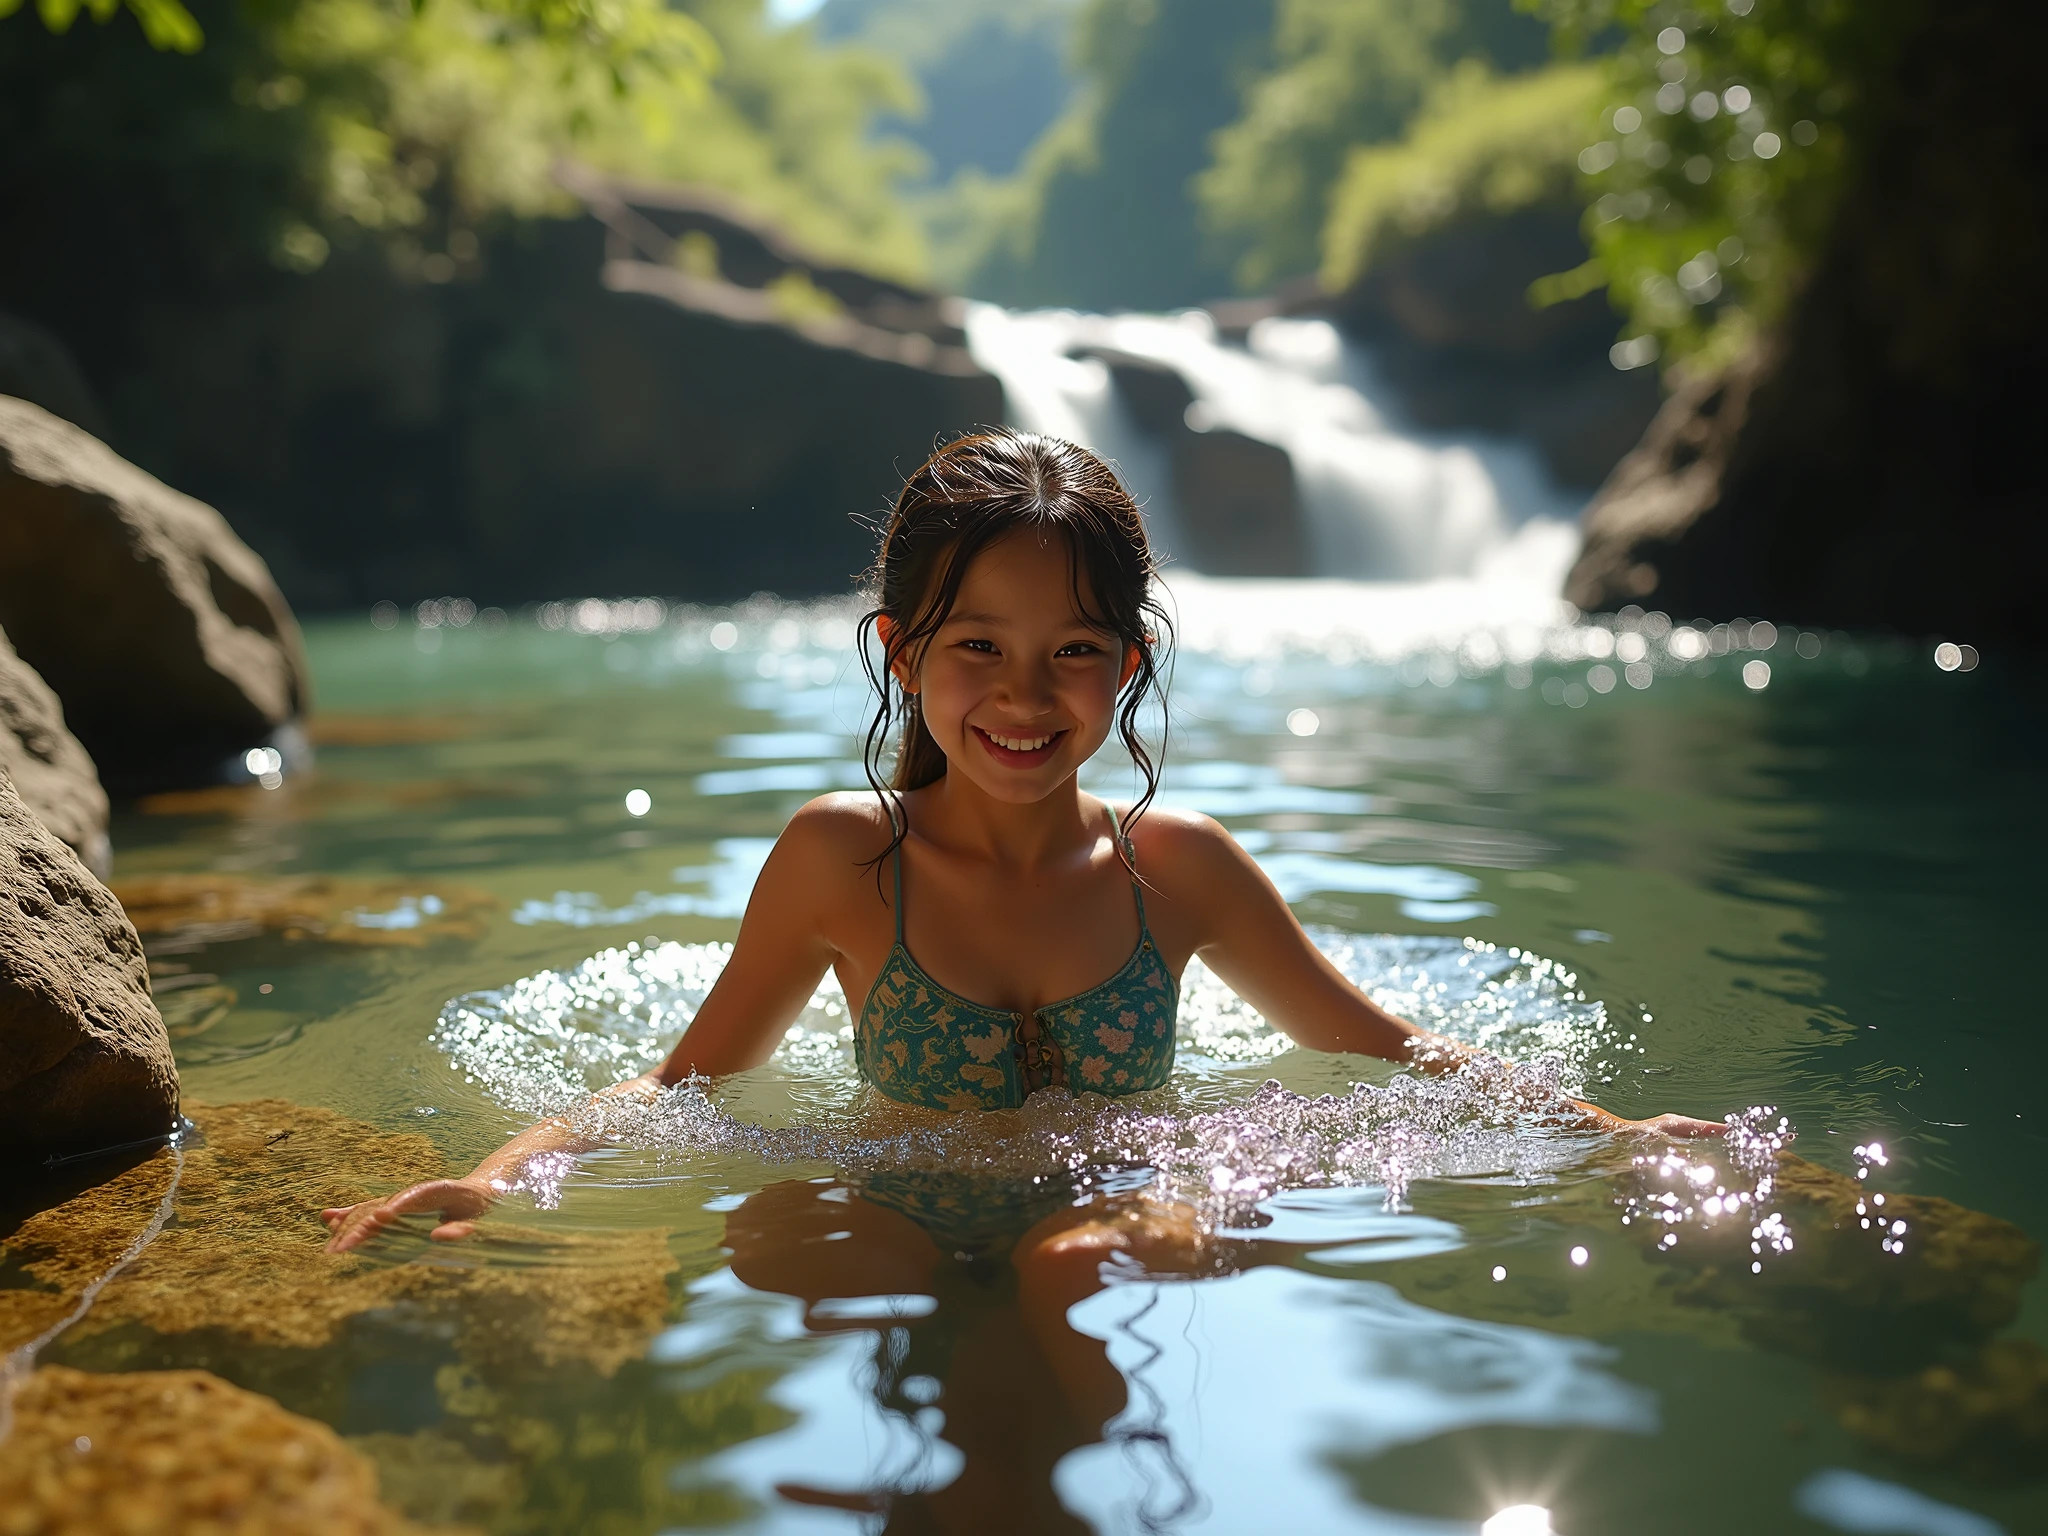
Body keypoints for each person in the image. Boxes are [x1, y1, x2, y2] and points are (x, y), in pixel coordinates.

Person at [322, 425, 1717, 1299]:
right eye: (975, 645)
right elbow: (683, 1084)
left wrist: (1609, 1140)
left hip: (1125, 1208)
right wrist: (503, 1175)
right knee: (778, 1239)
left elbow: (1391, 1049)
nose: (1024, 695)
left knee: (1075, 1264)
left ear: (1129, 666)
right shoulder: (841, 862)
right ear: (899, 653)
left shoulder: (1184, 870)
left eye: (1074, 653)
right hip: (892, 1212)